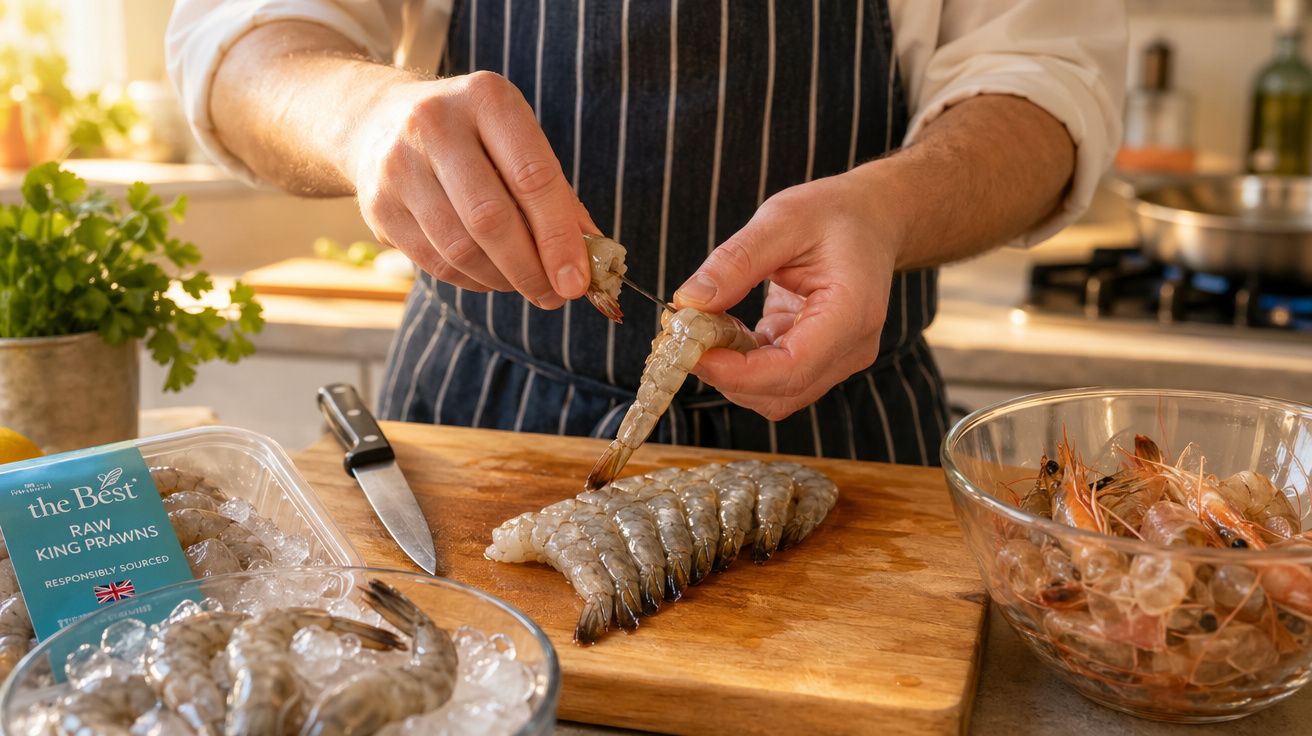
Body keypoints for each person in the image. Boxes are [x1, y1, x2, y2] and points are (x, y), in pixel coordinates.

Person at [167, 1, 1125, 464]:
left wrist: (889, 211)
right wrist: (359, 117)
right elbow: (241, 41)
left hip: (852, 431)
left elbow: (1047, 79)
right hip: (470, 415)